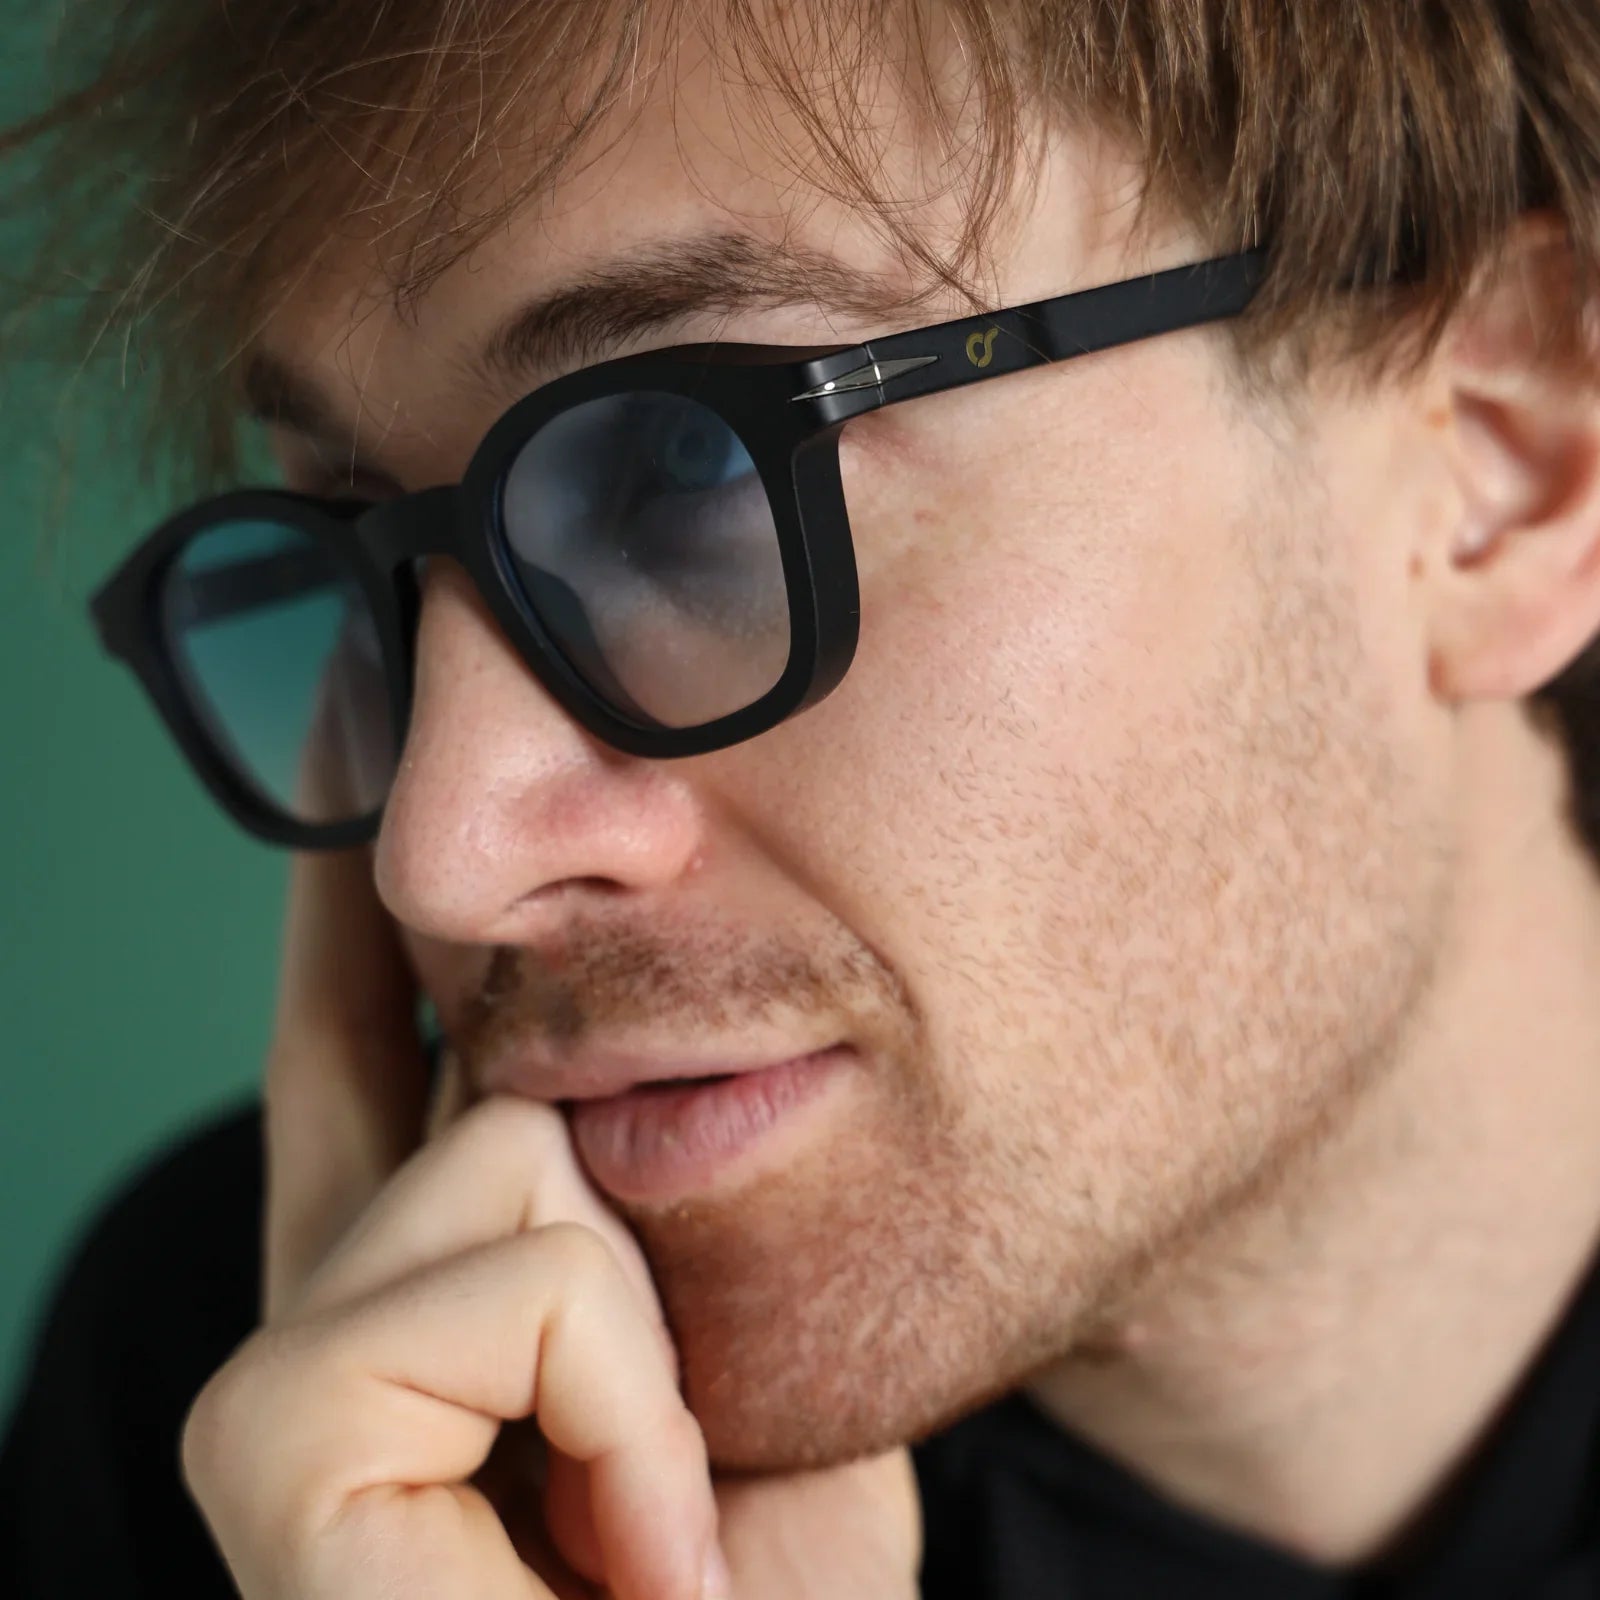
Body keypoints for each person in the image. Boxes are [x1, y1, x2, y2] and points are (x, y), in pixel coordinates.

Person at [4, 1, 1600, 1595]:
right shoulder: (283, 1450)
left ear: (1509, 464)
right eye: (370, 547)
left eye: (680, 477)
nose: (440, 854)